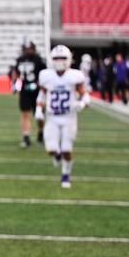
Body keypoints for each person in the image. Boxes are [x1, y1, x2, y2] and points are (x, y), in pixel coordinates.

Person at [35, 45, 88, 189]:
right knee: (51, 149)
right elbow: (42, 94)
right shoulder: (46, 75)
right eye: (56, 58)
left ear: (69, 59)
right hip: (52, 117)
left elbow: (85, 96)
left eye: (62, 58)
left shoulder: (75, 76)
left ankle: (65, 175)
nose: (59, 61)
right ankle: (56, 155)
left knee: (67, 149)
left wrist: (82, 103)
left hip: (69, 117)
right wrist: (39, 109)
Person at [11, 39, 47, 148]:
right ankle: (26, 138)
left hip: (37, 91)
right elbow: (16, 74)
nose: (27, 51)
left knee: (39, 115)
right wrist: (15, 85)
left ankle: (41, 132)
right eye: (26, 49)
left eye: (29, 49)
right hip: (24, 90)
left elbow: (44, 75)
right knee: (24, 114)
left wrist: (39, 85)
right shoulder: (20, 59)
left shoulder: (38, 60)